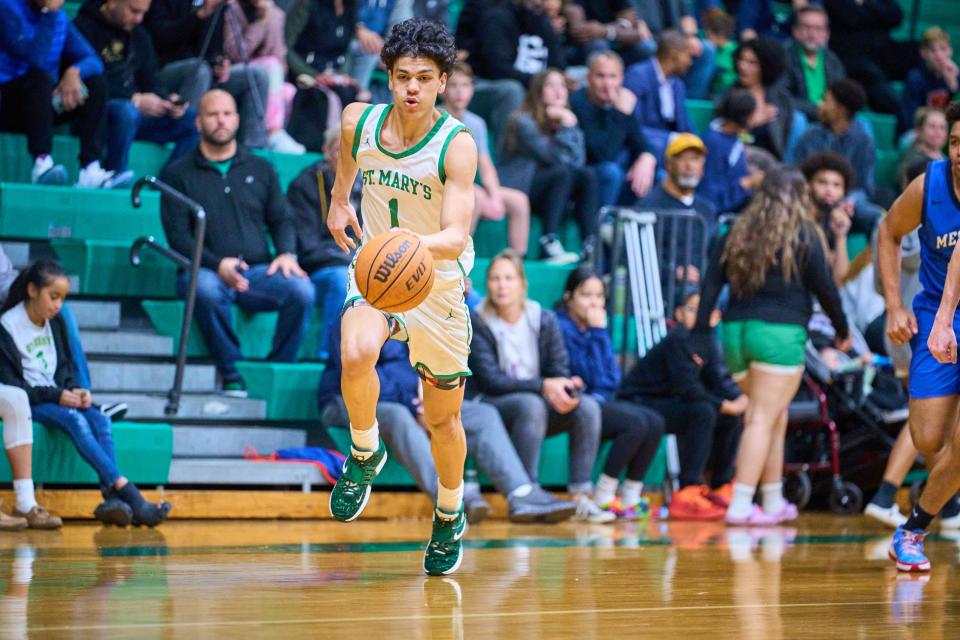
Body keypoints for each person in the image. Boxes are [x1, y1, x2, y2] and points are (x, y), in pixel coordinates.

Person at [324, 18, 477, 576]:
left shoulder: (457, 145)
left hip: (435, 281)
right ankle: (366, 452)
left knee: (442, 421)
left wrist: (407, 244)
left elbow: (458, 234)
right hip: (377, 273)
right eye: (402, 76)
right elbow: (347, 154)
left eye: (425, 78)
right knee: (356, 351)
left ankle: (450, 511)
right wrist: (341, 199)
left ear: (442, 82)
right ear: (388, 78)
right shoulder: (356, 120)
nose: (412, 88)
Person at [696, 168, 850, 526]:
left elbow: (709, 285)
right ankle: (741, 503)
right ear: (801, 197)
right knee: (761, 417)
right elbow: (826, 289)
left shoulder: (736, 230)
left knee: (774, 416)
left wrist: (702, 331)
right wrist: (842, 329)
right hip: (778, 336)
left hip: (735, 334)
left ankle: (773, 498)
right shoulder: (805, 234)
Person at [317, 321, 577, 525]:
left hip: (411, 399)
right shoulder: (354, 313)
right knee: (399, 416)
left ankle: (521, 493)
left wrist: (428, 402)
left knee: (483, 414)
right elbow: (364, 375)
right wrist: (416, 405)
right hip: (348, 402)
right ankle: (451, 501)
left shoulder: (414, 312)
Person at [160, 89, 314, 397]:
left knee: (301, 290)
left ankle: (275, 372)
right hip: (206, 270)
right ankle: (233, 373)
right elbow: (179, 238)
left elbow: (282, 219)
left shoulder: (261, 168)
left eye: (227, 113)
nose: (221, 121)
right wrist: (218, 264)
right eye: (213, 114)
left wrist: (286, 253)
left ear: (237, 120)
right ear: (198, 122)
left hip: (256, 271)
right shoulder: (177, 174)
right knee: (202, 288)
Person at [0, 261, 171, 528]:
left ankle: (113, 501)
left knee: (101, 419)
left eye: (62, 299)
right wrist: (58, 395)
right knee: (77, 420)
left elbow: (64, 366)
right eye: (53, 297)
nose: (58, 305)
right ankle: (130, 495)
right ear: (32, 290)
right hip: (33, 401)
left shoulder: (53, 323)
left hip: (57, 397)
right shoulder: (8, 325)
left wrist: (74, 389)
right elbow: (12, 386)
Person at [877, 101, 960, 572]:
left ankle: (913, 528)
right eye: (954, 142)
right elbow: (888, 232)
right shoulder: (929, 184)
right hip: (934, 316)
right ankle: (938, 487)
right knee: (929, 440)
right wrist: (894, 305)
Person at [467, 252, 610, 523]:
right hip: (493, 403)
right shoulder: (479, 319)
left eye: (509, 278)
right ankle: (527, 492)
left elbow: (558, 369)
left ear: (522, 284)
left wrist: (562, 388)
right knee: (529, 404)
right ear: (488, 285)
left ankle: (581, 497)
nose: (502, 285)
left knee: (587, 406)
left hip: (535, 404)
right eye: (495, 279)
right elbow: (491, 381)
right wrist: (543, 386)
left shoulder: (543, 318)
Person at [619, 285, 748, 520]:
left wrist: (740, 399)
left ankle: (721, 485)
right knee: (704, 411)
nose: (699, 315)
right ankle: (689, 489)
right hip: (641, 401)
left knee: (728, 416)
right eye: (692, 309)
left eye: (705, 309)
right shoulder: (677, 340)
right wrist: (723, 405)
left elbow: (717, 379)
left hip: (670, 403)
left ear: (716, 316)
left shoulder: (709, 342)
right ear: (679, 314)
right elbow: (687, 387)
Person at [556, 266, 665, 519]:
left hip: (600, 399)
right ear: (568, 297)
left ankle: (630, 494)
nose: (593, 303)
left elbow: (611, 378)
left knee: (656, 421)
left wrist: (598, 332)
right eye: (586, 295)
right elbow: (584, 375)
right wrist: (596, 332)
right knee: (635, 423)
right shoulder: (560, 326)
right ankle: (604, 494)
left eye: (599, 296)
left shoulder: (597, 328)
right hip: (577, 405)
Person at [73, 0, 199, 180]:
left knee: (193, 120)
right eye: (133, 11)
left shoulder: (139, 34)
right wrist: (136, 99)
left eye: (143, 13)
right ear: (112, 3)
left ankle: (169, 185)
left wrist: (166, 99)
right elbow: (91, 84)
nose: (139, 19)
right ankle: (114, 174)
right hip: (94, 116)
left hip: (136, 116)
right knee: (126, 111)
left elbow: (151, 80)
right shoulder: (83, 27)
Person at [0, 0, 119, 187]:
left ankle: (90, 169)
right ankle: (42, 164)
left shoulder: (59, 18)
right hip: (8, 103)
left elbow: (94, 61)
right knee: (39, 78)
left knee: (95, 84)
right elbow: (35, 59)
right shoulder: (7, 8)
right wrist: (49, 13)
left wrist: (74, 71)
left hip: (40, 105)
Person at [499, 68, 599, 263]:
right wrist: (568, 126)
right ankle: (548, 242)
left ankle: (589, 243)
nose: (558, 91)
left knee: (587, 174)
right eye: (550, 85)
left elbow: (578, 162)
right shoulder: (523, 121)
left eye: (562, 85)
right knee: (562, 172)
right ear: (538, 91)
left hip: (554, 188)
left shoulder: (564, 119)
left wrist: (566, 125)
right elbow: (555, 158)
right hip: (522, 188)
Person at [144, 0, 270, 148]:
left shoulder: (217, 5)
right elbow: (160, 39)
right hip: (164, 71)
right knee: (199, 70)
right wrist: (200, 14)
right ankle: (190, 141)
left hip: (205, 73)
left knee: (258, 75)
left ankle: (250, 151)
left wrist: (218, 65)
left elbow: (213, 48)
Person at [286, 127, 360, 364]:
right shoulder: (305, 184)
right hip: (319, 267)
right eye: (340, 150)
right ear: (326, 152)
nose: (347, 157)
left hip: (356, 262)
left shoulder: (367, 185)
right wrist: (351, 260)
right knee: (342, 279)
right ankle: (331, 355)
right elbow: (307, 248)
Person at [445, 62, 531, 256]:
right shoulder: (436, 118)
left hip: (467, 186)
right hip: (442, 184)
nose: (460, 92)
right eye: (454, 85)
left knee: (519, 201)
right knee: (475, 195)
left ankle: (517, 262)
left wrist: (495, 196)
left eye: (466, 85)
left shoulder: (476, 123)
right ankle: (456, 257)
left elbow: (485, 164)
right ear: (442, 89)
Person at [569, 51, 657, 207]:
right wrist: (619, 114)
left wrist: (647, 158)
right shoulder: (577, 103)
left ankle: (641, 227)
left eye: (612, 76)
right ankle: (601, 226)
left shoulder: (620, 102)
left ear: (621, 79)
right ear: (589, 78)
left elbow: (640, 143)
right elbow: (601, 154)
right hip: (583, 176)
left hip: (609, 171)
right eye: (600, 76)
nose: (607, 84)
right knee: (611, 172)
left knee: (656, 175)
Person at [222, 0, 304, 153]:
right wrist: (262, 21)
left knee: (288, 90)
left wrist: (269, 17)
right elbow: (236, 53)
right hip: (232, 71)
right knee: (270, 69)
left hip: (266, 70)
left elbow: (279, 55)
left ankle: (276, 136)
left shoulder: (276, 14)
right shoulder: (232, 8)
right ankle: (273, 132)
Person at [638, 133, 715, 286]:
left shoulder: (707, 210)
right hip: (663, 291)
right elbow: (638, 258)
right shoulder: (647, 207)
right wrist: (674, 273)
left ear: (703, 168)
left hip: (700, 291)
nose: (690, 166)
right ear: (668, 164)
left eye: (696, 159)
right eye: (682, 158)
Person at [283, 0, 359, 152]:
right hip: (303, 73)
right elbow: (286, 47)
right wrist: (314, 75)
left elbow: (345, 50)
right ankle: (323, 150)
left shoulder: (351, 7)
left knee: (359, 95)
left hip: (332, 75)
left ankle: (350, 153)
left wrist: (340, 75)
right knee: (321, 98)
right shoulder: (307, 4)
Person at [824, 0, 920, 116]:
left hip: (884, 52)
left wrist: (867, 3)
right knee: (870, 73)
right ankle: (901, 108)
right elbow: (851, 16)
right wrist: (875, 14)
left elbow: (896, 17)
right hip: (853, 56)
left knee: (918, 51)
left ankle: (926, 103)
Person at [791, 79, 876, 198]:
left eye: (826, 100)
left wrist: (848, 202)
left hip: (848, 203)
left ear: (841, 109)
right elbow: (795, 174)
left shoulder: (863, 141)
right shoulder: (810, 135)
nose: (820, 104)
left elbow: (864, 188)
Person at [623, 30, 693, 163]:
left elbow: (686, 126)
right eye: (688, 55)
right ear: (674, 54)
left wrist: (697, 143)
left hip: (671, 149)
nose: (690, 62)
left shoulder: (678, 84)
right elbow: (633, 127)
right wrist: (672, 139)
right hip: (644, 148)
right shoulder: (638, 76)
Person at [732, 37, 796, 161]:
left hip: (771, 165)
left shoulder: (781, 100)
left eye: (752, 63)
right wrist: (750, 124)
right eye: (741, 60)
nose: (743, 66)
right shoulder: (730, 97)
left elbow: (782, 143)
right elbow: (726, 142)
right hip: (741, 160)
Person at [783, 5, 847, 123]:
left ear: (826, 34)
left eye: (818, 28)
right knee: (798, 120)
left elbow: (841, 95)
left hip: (827, 116)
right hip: (797, 117)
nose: (812, 34)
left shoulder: (833, 60)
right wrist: (818, 109)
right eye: (806, 27)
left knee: (862, 123)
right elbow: (782, 98)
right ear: (795, 31)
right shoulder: (784, 56)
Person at [697, 88, 757, 214]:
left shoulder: (734, 137)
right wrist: (745, 185)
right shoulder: (714, 144)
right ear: (744, 117)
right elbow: (710, 199)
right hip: (725, 211)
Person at [898, 27, 958, 137]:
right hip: (914, 134)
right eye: (932, 50)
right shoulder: (915, 78)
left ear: (950, 51)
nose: (938, 55)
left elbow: (956, 118)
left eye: (943, 49)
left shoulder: (955, 77)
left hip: (942, 135)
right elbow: (909, 118)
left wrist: (953, 87)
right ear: (923, 53)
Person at [561, 0, 655, 67]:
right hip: (578, 48)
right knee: (599, 45)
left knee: (647, 47)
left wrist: (605, 31)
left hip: (614, 40)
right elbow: (580, 32)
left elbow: (632, 29)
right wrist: (616, 29)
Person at [899, 108, 947, 185]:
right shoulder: (913, 161)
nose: (938, 132)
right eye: (932, 126)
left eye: (942, 127)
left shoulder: (949, 160)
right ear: (919, 130)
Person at [702, 8, 737, 96]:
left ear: (720, 34)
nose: (707, 39)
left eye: (709, 35)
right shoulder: (714, 51)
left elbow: (727, 80)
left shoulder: (736, 51)